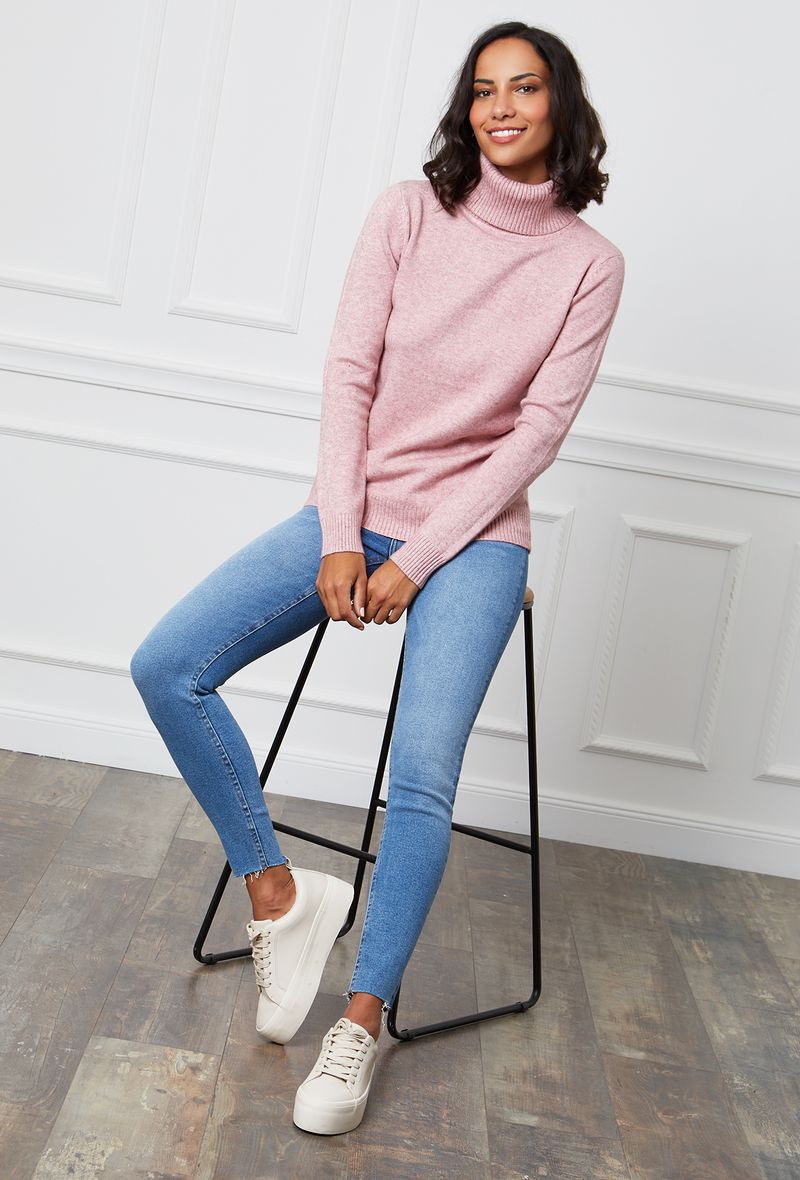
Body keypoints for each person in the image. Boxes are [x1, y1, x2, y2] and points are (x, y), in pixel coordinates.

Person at [129, 19, 625, 1136]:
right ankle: (277, 891)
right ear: (466, 108)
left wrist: (420, 554)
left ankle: (360, 1019)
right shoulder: (407, 211)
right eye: (483, 90)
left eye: (524, 89)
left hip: (477, 537)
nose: (500, 109)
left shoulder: (590, 265)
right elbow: (350, 374)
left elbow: (534, 436)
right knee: (167, 664)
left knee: (424, 775)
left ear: (559, 106)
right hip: (355, 511)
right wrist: (343, 533)